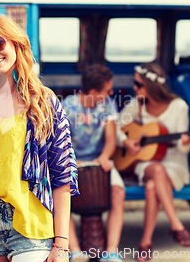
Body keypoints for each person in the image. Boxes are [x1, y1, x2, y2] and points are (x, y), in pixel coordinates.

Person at [0, 14, 79, 262]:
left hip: (30, 220)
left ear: (15, 43)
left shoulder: (43, 101)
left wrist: (62, 244)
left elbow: (62, 173)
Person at [118, 63, 190, 262]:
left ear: (151, 85)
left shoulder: (179, 107)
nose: (135, 89)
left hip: (174, 162)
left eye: (138, 84)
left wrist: (186, 143)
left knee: (152, 186)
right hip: (146, 162)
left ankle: (145, 243)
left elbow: (183, 148)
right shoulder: (137, 104)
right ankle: (176, 225)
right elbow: (116, 127)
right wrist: (127, 142)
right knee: (155, 169)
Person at [62, 64, 128, 262]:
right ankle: (74, 251)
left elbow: (110, 140)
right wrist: (74, 162)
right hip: (72, 160)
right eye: (107, 90)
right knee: (62, 194)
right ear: (93, 92)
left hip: (100, 160)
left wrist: (105, 158)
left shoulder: (108, 104)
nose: (111, 92)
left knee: (118, 191)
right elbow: (62, 143)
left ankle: (111, 251)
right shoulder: (67, 106)